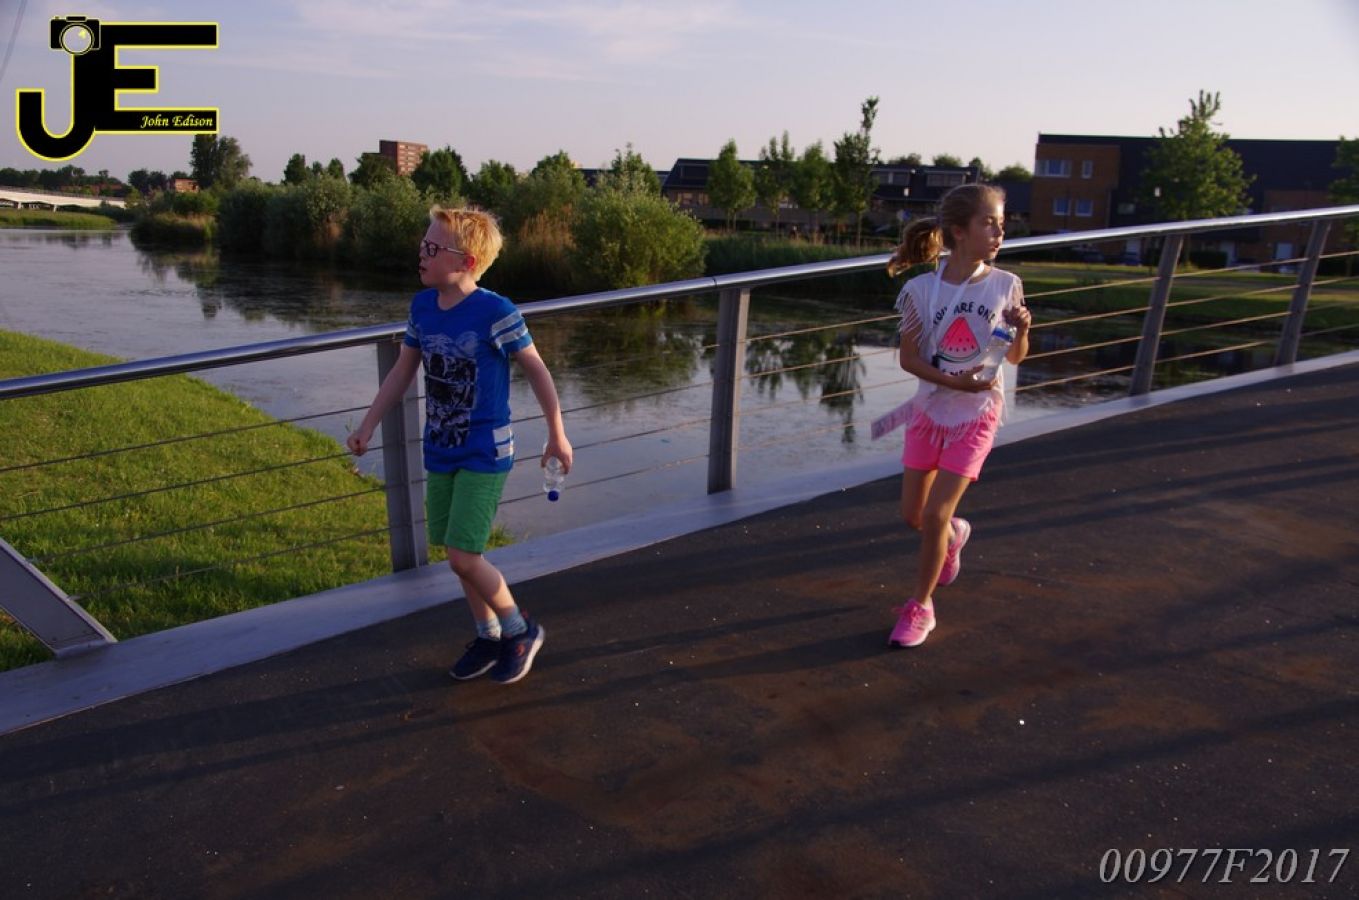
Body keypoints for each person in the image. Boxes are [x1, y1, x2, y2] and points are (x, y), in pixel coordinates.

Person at [347, 206, 572, 684]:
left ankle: (521, 629)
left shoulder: (496, 312)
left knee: (462, 555)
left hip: (484, 450)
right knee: (456, 552)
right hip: (440, 447)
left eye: (432, 248)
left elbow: (536, 368)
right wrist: (368, 424)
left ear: (466, 262)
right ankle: (489, 635)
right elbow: (402, 371)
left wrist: (557, 433)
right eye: (422, 245)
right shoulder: (422, 307)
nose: (422, 254)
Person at [883, 183, 1031, 648]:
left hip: (977, 414)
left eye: (1001, 224)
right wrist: (953, 382)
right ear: (959, 231)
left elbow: (1013, 357)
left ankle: (920, 607)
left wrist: (1023, 332)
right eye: (989, 223)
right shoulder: (920, 290)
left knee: (935, 512)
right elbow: (909, 359)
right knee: (914, 516)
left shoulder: (1005, 285)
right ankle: (953, 536)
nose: (999, 233)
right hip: (929, 410)